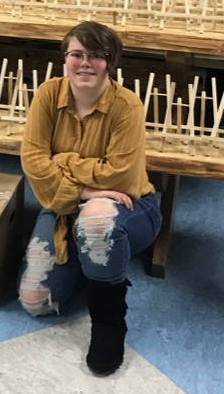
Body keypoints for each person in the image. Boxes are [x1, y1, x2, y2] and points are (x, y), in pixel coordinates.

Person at [18, 21, 162, 376]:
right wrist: (82, 191)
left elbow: (121, 176)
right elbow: (32, 161)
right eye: (77, 54)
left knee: (97, 219)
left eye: (97, 56)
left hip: (129, 207)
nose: (85, 63)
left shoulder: (126, 105)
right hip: (66, 205)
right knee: (36, 301)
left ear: (110, 62)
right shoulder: (48, 95)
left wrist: (63, 160)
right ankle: (95, 263)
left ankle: (109, 321)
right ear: (64, 58)